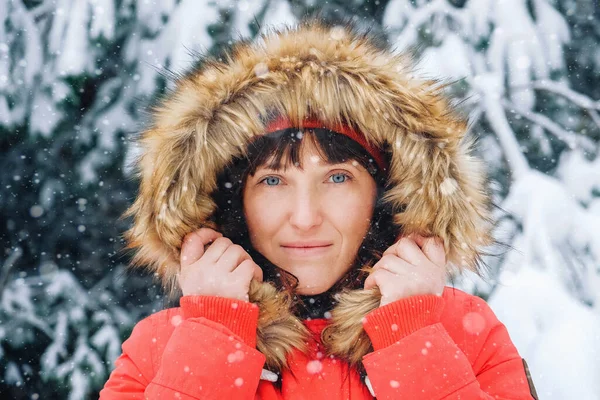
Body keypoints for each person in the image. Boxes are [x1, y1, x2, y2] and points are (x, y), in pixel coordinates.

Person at [100, 18, 538, 399]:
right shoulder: (161, 347)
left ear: (385, 195)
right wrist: (216, 332)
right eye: (272, 181)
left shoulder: (464, 332)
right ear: (233, 202)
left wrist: (409, 333)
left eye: (337, 178)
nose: (306, 217)